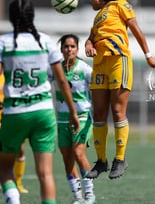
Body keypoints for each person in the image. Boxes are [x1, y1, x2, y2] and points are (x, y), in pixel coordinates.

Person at [0, 0, 80, 204]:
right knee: (45, 174)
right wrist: (73, 113)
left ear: (11, 17)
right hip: (44, 114)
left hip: (14, 113)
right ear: (33, 16)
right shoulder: (46, 42)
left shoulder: (2, 43)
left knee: (5, 169)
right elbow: (62, 81)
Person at [84, 0, 155, 180]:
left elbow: (136, 29)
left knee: (118, 111)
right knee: (99, 113)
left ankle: (119, 159)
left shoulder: (120, 5)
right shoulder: (98, 17)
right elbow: (91, 37)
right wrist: (88, 44)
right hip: (100, 64)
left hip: (119, 62)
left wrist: (148, 56)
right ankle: (101, 161)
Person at [52, 34, 95, 204]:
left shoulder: (84, 69)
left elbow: (98, 89)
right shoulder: (56, 69)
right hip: (62, 119)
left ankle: (90, 195)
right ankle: (77, 197)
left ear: (77, 49)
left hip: (83, 117)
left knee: (78, 153)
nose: (69, 49)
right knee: (67, 158)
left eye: (72, 46)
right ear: (61, 49)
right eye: (66, 46)